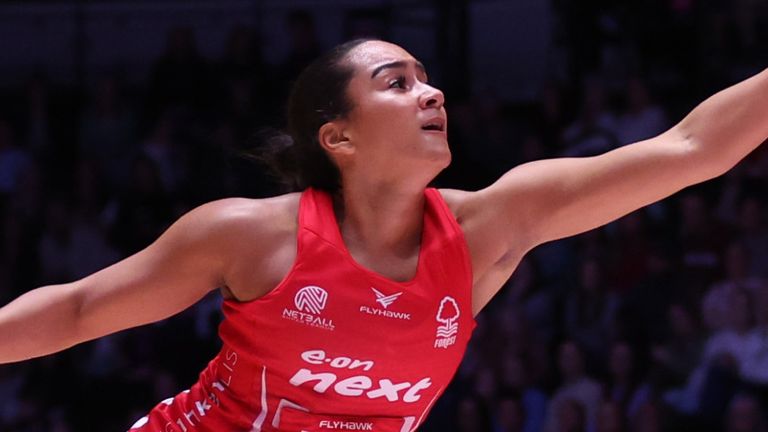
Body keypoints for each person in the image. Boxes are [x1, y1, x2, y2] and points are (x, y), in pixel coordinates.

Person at [0, 38, 766, 431]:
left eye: (426, 77)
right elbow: (76, 311)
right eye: (396, 83)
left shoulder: (487, 229)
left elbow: (693, 150)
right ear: (339, 138)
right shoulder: (252, 236)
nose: (430, 91)